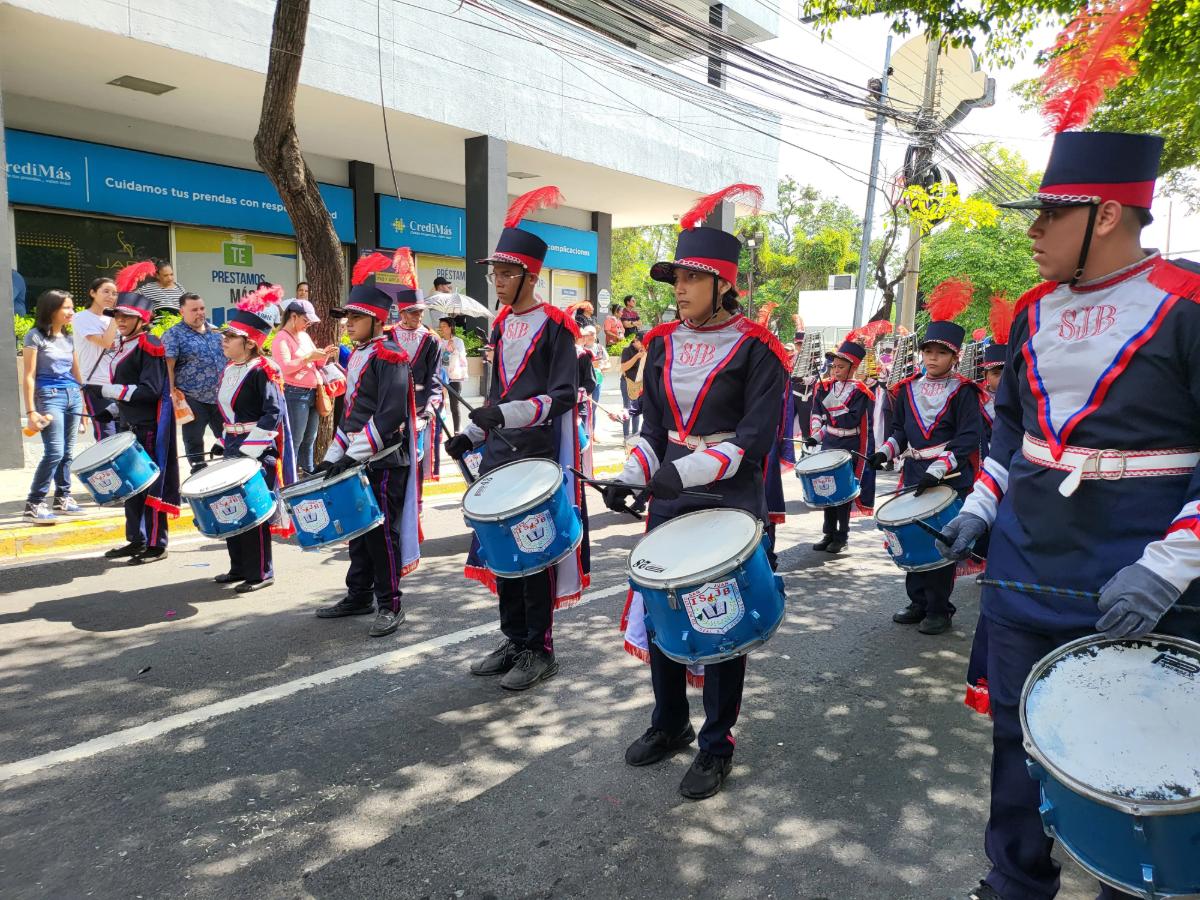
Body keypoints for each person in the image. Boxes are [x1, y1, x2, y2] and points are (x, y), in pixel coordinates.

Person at [932, 128, 1200, 900]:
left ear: (1106, 215)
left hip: (1142, 576)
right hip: (1026, 568)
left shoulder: (1188, 304)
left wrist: (1170, 565)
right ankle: (1013, 880)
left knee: (1140, 757)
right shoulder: (1032, 311)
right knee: (1017, 739)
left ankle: (1137, 885)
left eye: (1051, 214)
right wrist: (981, 505)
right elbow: (1012, 428)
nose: (1034, 230)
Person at [601, 184, 786, 801]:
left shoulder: (760, 348)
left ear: (722, 284)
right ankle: (670, 721)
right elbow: (655, 429)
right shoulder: (659, 342)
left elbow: (754, 440)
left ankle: (717, 743)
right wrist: (632, 475)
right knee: (665, 609)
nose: (679, 288)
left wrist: (683, 473)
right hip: (671, 491)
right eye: (676, 277)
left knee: (718, 620)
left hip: (729, 498)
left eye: (692, 278)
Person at [444, 186, 589, 692]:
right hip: (499, 454)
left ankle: (539, 649)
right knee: (503, 551)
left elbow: (563, 396)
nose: (499, 282)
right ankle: (513, 638)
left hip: (537, 457)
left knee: (534, 553)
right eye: (496, 274)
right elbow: (494, 393)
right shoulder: (502, 324)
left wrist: (503, 415)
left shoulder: (557, 326)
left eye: (507, 274)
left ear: (530, 276)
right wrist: (470, 435)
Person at [866, 280, 981, 636]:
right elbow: (899, 430)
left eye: (941, 353)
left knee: (940, 541)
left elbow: (968, 437)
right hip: (915, 473)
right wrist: (885, 452)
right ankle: (917, 601)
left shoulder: (964, 392)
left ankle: (939, 608)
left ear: (954, 357)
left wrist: (940, 468)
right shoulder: (906, 388)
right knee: (913, 536)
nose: (932, 358)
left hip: (949, 476)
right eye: (928, 351)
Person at [314, 261, 420, 638]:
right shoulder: (360, 352)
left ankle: (391, 604)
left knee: (381, 535)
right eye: (348, 317)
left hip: (386, 460)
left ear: (377, 320)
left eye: (356, 317)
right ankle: (359, 594)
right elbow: (352, 414)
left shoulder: (390, 355)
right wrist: (331, 458)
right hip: (360, 458)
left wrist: (350, 455)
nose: (348, 323)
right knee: (358, 530)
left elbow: (389, 415)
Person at [213, 288, 295, 592]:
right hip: (233, 446)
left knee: (253, 511)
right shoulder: (229, 368)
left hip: (257, 450)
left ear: (249, 343)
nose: (224, 340)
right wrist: (223, 441)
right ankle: (238, 567)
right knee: (231, 507)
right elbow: (229, 411)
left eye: (231, 336)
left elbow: (273, 413)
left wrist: (250, 450)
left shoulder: (264, 369)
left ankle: (261, 572)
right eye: (225, 335)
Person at [97, 262, 179, 564]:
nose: (119, 320)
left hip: (148, 428)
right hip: (128, 425)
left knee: (149, 485)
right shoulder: (125, 344)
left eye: (126, 316)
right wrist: (112, 410)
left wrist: (110, 392)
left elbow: (150, 390)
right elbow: (130, 388)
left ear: (141, 319)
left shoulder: (149, 345)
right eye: (117, 315)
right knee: (130, 486)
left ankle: (156, 543)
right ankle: (136, 539)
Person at [807, 337, 876, 553]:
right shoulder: (825, 387)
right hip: (829, 443)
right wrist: (816, 437)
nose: (835, 370)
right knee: (826, 488)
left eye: (841, 367)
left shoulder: (860, 392)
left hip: (849, 445)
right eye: (834, 366)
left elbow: (850, 420)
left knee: (843, 493)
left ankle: (842, 535)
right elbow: (820, 416)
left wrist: (829, 401)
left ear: (853, 368)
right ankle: (828, 533)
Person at [22, 290, 85, 524]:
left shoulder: (69, 338)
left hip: (73, 396)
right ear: (52, 309)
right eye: (66, 307)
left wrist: (83, 406)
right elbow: (29, 376)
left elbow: (76, 373)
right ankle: (34, 503)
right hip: (50, 397)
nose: (71, 312)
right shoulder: (35, 337)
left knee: (67, 453)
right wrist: (31, 411)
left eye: (72, 307)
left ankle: (63, 497)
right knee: (55, 452)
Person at [163, 293, 227, 474]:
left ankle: (229, 474)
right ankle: (198, 474)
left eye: (202, 308)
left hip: (220, 396)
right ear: (182, 312)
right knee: (194, 441)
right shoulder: (173, 335)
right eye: (194, 310)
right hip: (192, 398)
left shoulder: (215, 332)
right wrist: (171, 394)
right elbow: (168, 366)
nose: (200, 313)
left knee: (228, 437)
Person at [271, 298, 333, 476]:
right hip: (294, 393)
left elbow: (317, 363)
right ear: (293, 317)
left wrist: (324, 355)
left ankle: (308, 473)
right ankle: (290, 476)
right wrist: (308, 358)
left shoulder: (304, 336)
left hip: (312, 392)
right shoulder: (281, 338)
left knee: (310, 438)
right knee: (295, 439)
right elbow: (284, 367)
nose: (308, 325)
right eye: (306, 321)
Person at [74, 277, 121, 443]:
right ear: (93, 293)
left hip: (119, 385)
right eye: (106, 291)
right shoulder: (81, 318)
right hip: (96, 384)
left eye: (114, 293)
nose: (111, 296)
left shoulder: (115, 319)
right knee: (107, 435)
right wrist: (115, 318)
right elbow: (105, 342)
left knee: (123, 433)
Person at [437, 316, 468, 433]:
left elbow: (462, 358)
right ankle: (440, 431)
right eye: (440, 327)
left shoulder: (458, 341)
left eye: (444, 326)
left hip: (455, 377)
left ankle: (457, 432)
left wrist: (454, 349)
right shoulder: (439, 341)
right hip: (441, 377)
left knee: (454, 405)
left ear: (451, 327)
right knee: (440, 404)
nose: (442, 329)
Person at [618, 330, 646, 441]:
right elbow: (624, 367)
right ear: (635, 341)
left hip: (639, 383)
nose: (643, 345)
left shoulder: (646, 351)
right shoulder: (627, 350)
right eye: (642, 342)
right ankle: (626, 436)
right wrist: (637, 356)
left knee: (637, 408)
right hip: (627, 382)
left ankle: (634, 436)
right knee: (627, 408)